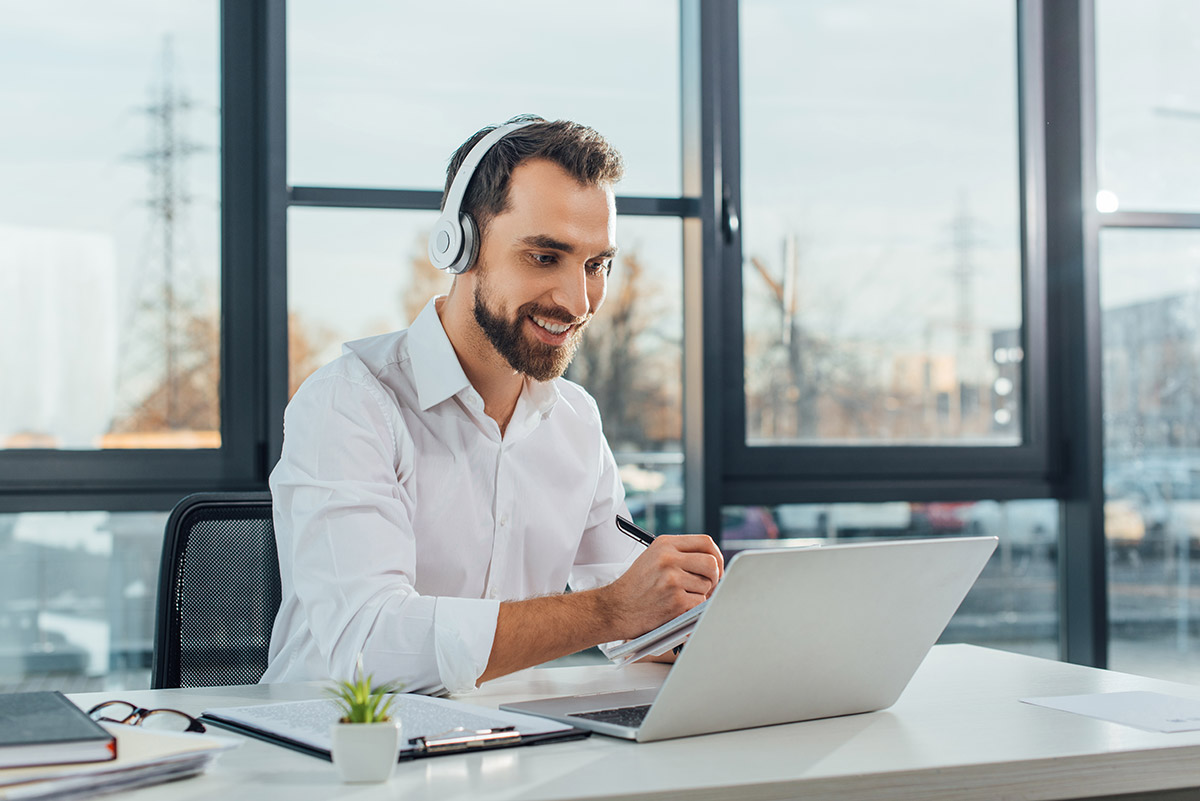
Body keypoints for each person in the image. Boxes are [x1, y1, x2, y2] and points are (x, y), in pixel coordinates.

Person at [262, 116, 723, 695]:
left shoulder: (574, 421)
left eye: (596, 264)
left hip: (503, 745)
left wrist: (713, 626)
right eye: (543, 257)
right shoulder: (349, 405)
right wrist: (610, 611)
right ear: (461, 246)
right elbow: (370, 646)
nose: (578, 300)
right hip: (339, 755)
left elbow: (633, 613)